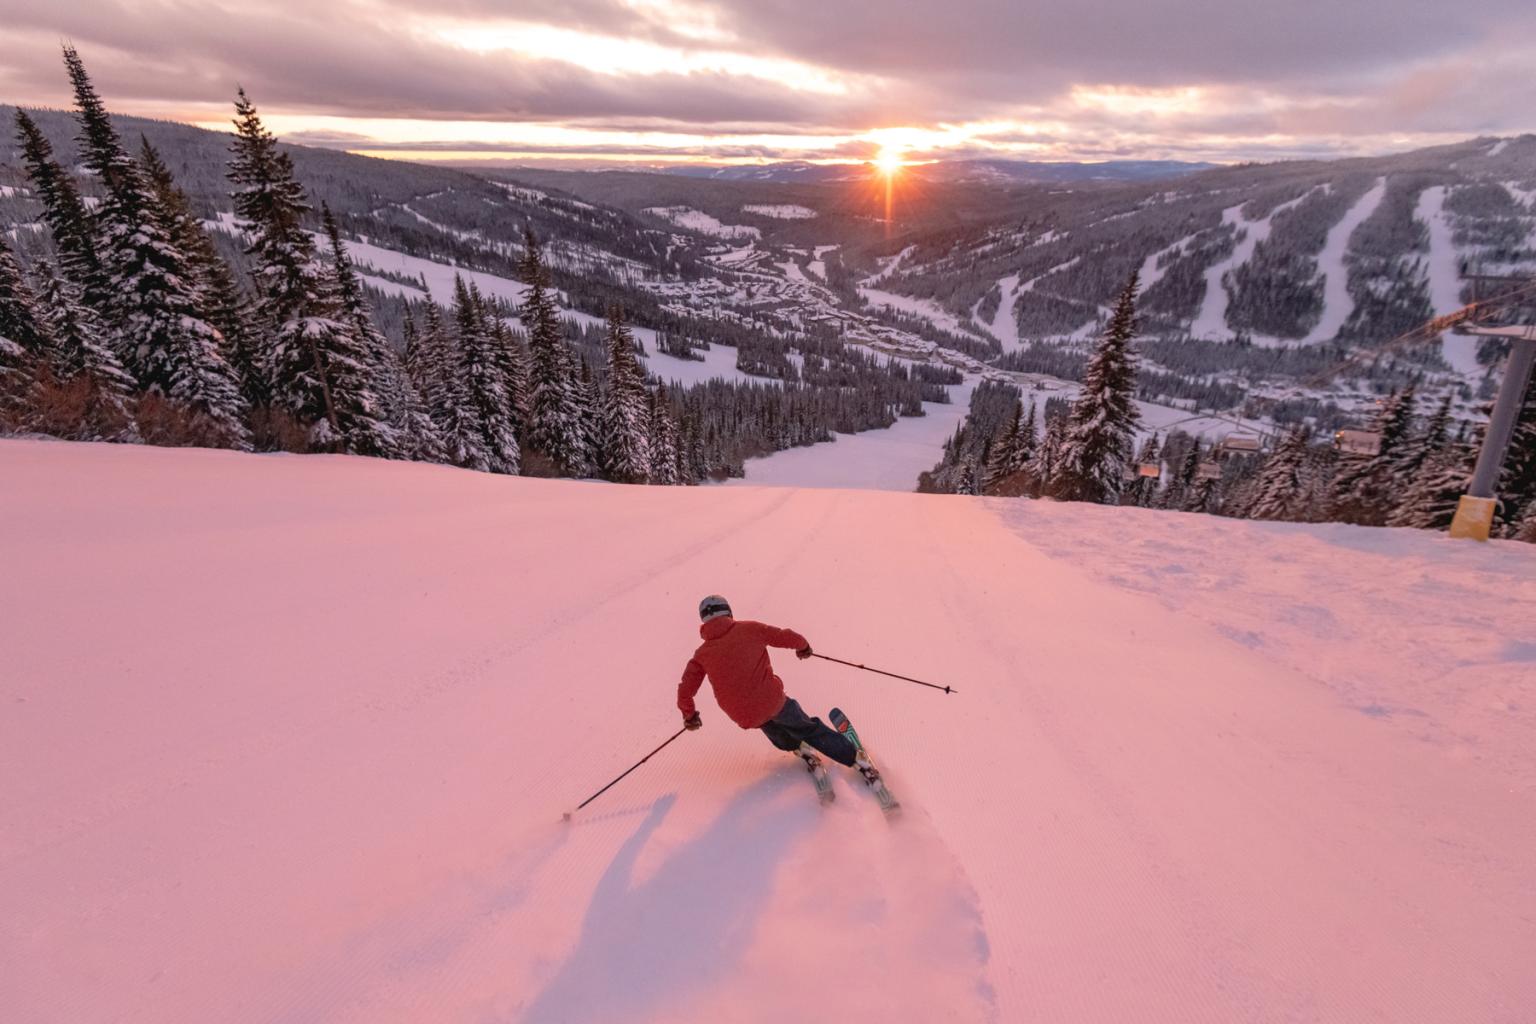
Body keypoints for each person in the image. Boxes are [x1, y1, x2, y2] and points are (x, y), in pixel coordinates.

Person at [678, 595, 875, 778]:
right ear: (728, 612)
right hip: (771, 700)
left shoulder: (701, 654)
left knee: (772, 727)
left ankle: (796, 746)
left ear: (704, 621)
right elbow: (783, 636)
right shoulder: (749, 629)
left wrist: (690, 716)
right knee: (807, 727)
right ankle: (855, 759)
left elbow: (685, 691)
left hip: (743, 714)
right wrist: (803, 646)